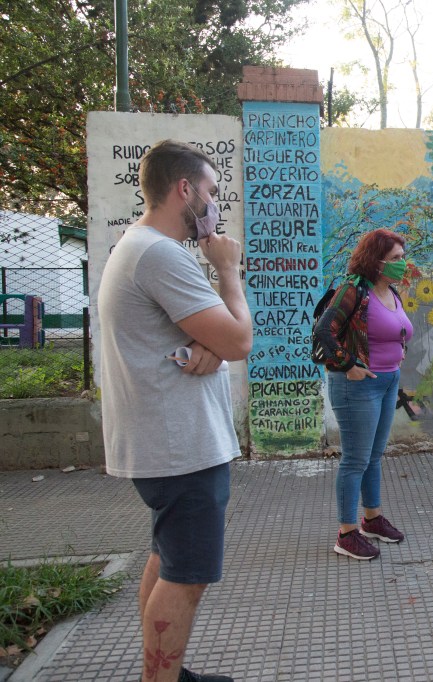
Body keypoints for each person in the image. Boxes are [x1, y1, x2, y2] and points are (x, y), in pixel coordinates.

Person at [97, 140, 252, 682]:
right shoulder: (160, 254)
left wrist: (209, 345)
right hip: (180, 448)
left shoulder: (140, 247)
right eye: (210, 192)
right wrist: (227, 269)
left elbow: (204, 336)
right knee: (186, 575)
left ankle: (168, 673)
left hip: (167, 445)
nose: (214, 205)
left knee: (168, 559)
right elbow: (239, 341)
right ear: (183, 189)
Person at [313, 228, 414, 561]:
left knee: (374, 455)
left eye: (402, 257)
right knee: (355, 460)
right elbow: (323, 331)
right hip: (357, 385)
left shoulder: (391, 292)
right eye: (396, 259)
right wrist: (347, 365)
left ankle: (371, 520)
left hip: (387, 381)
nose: (403, 264)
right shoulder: (353, 290)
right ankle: (346, 533)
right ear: (377, 261)